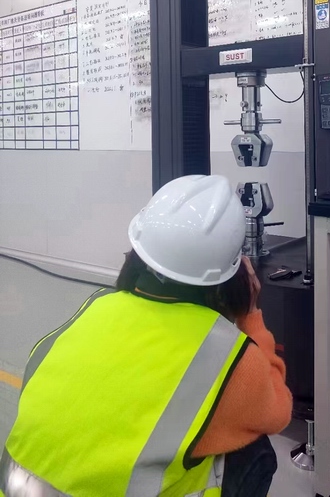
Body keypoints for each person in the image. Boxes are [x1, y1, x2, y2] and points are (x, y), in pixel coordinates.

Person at [0, 174, 292, 497]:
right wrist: (251, 316)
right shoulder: (225, 353)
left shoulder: (95, 305)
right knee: (255, 450)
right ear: (234, 274)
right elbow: (279, 412)